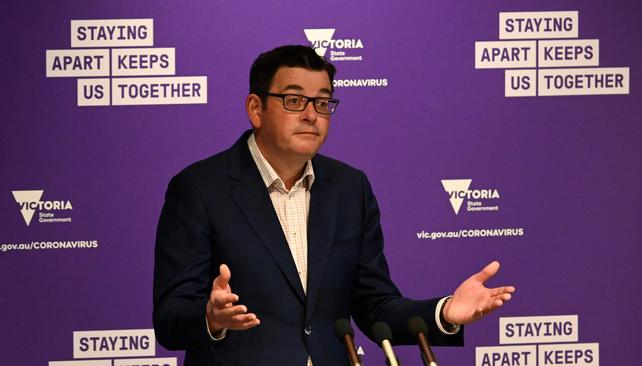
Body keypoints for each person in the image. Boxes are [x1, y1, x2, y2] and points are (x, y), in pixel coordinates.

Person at [153, 45, 515, 365]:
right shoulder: (200, 189)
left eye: (322, 102)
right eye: (294, 100)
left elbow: (375, 305)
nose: (311, 114)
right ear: (255, 108)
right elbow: (170, 319)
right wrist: (211, 317)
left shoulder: (349, 188)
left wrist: (443, 312)